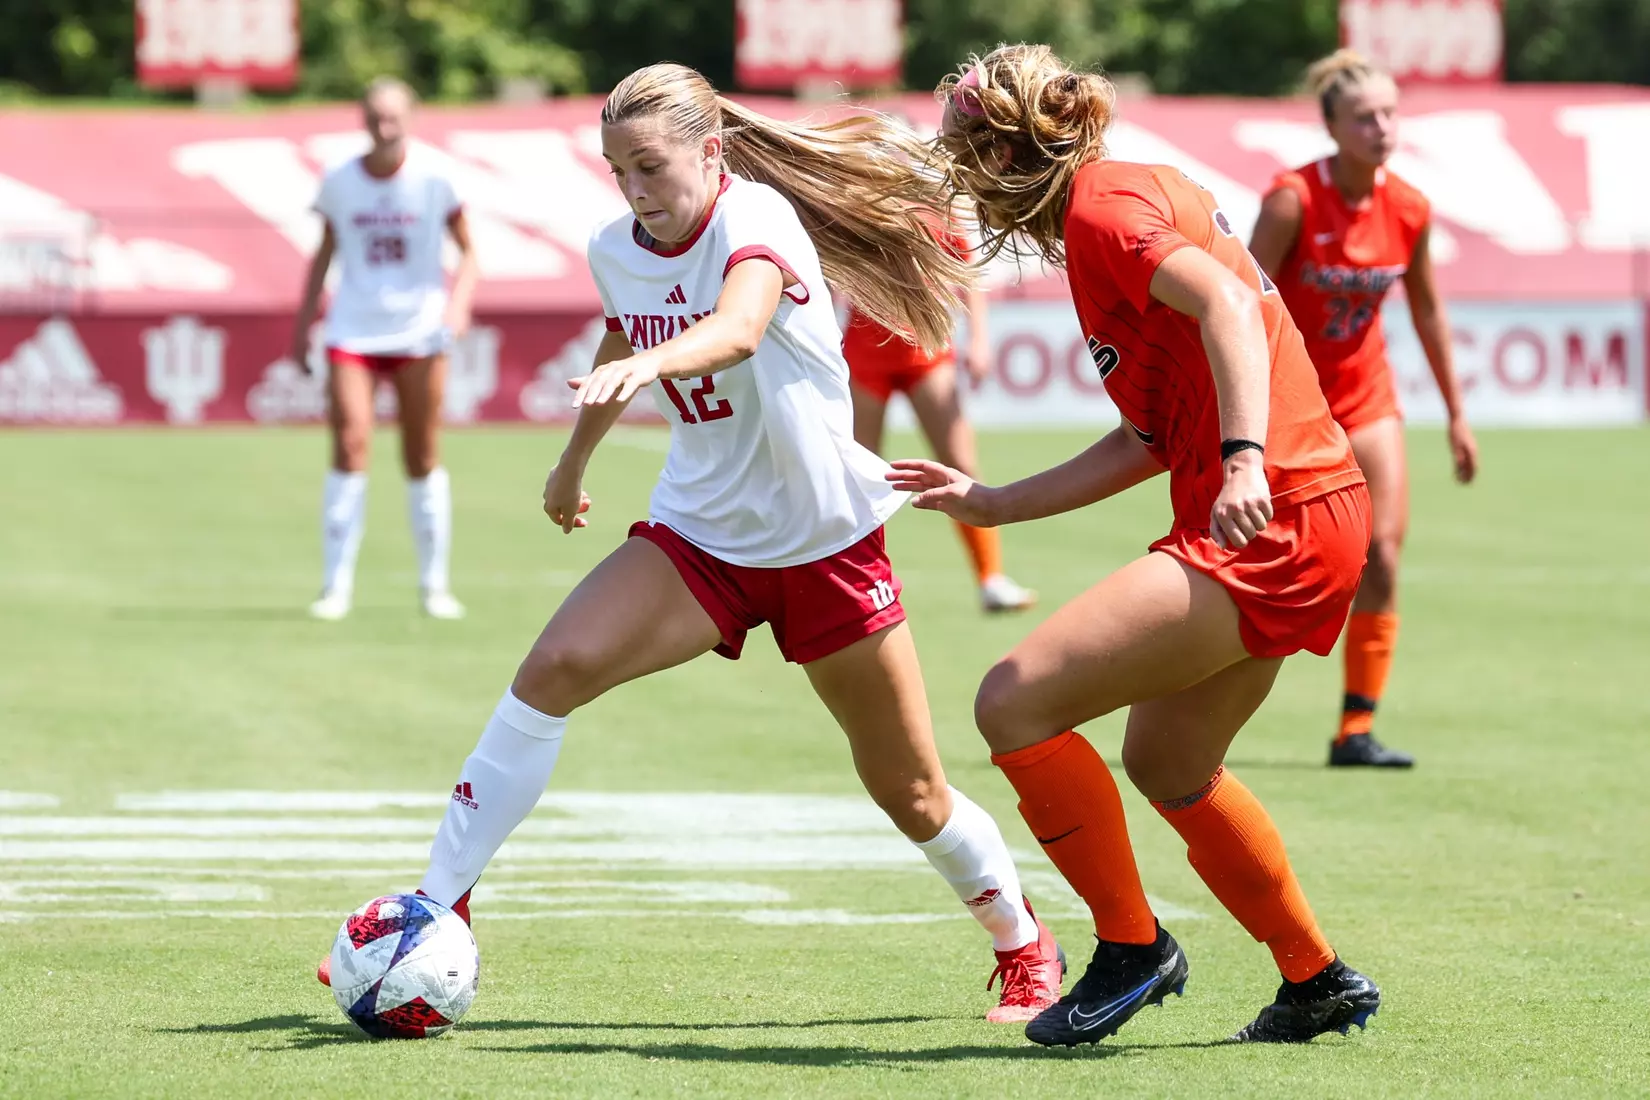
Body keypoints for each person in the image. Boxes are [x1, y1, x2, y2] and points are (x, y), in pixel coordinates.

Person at [317, 62, 1065, 1023]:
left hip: (826, 543)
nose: (633, 191)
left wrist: (648, 364)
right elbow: (618, 337)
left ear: (711, 154)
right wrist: (571, 463)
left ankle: (1023, 944)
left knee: (910, 791)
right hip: (700, 537)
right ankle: (436, 905)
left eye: (650, 167)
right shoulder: (614, 245)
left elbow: (739, 329)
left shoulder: (757, 220)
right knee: (551, 669)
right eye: (616, 170)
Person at [891, 43, 1382, 1046]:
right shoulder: (1110, 208)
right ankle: (1316, 976)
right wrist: (996, 503)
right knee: (1170, 759)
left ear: (1005, 152)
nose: (959, 185)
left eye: (962, 157)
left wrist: (1244, 459)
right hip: (1302, 504)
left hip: (1273, 508)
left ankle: (1132, 946)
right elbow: (1148, 436)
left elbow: (1232, 306)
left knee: (1013, 701)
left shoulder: (1104, 211)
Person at [1248, 50, 1479, 768]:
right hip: (1290, 405)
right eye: (1364, 117)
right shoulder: (1292, 199)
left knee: (1381, 556)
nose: (1381, 127)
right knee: (1263, 559)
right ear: (1331, 127)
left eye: (1389, 113)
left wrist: (1456, 415)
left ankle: (1356, 730)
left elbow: (1430, 314)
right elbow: (1241, 304)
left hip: (1368, 399)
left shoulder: (1408, 206)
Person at [291, 76, 479, 622]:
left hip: (420, 333)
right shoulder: (340, 181)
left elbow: (470, 253)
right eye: (375, 116)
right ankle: (335, 586)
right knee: (350, 446)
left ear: (411, 119)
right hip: (352, 331)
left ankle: (433, 586)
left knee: (421, 455)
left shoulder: (436, 177)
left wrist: (458, 306)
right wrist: (303, 325)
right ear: (363, 120)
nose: (384, 127)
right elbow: (323, 254)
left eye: (393, 117)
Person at [842, 208, 1037, 613]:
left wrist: (979, 339)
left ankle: (991, 579)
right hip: (864, 359)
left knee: (960, 462)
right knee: (860, 476)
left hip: (926, 353)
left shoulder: (935, 212)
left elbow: (970, 275)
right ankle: (860, 586)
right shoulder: (853, 208)